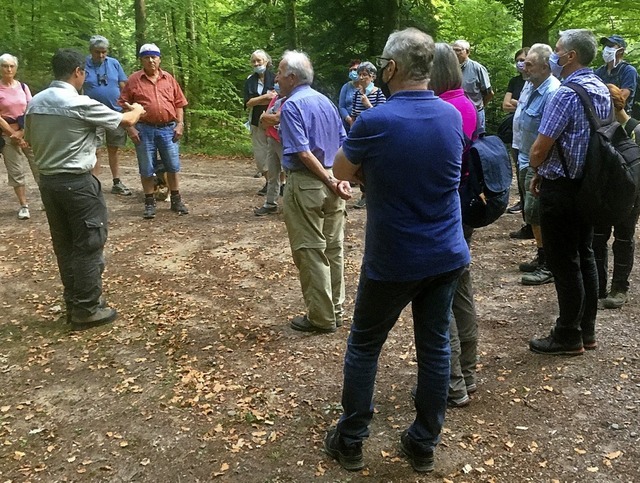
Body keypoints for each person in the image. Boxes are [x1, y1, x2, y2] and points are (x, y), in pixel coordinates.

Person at [324, 28, 470, 473]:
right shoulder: (450, 115)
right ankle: (423, 443)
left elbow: (341, 169)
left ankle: (350, 439)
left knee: (365, 346)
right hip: (446, 253)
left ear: (391, 68)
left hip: (394, 258)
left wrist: (376, 173)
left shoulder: (376, 121)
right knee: (435, 347)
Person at [24, 48, 145, 330]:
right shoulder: (78, 102)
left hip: (49, 183)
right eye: (84, 72)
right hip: (77, 183)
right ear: (78, 71)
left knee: (65, 244)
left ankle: (74, 301)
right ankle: (88, 308)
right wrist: (137, 109)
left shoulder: (35, 103)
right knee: (89, 244)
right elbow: (125, 121)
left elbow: (29, 138)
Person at [528, 29, 610, 355]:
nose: (554, 56)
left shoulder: (564, 94)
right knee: (585, 255)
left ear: (570, 56)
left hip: (561, 190)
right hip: (590, 185)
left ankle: (567, 334)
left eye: (558, 51)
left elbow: (538, 150)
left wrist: (539, 170)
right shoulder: (601, 88)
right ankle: (586, 331)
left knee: (563, 263)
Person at [276, 50, 351, 334]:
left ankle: (321, 317)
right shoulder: (326, 101)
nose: (276, 78)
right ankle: (336, 310)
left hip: (308, 183)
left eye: (280, 73)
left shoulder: (292, 106)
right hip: (333, 180)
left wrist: (331, 180)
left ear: (292, 77)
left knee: (310, 250)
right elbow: (344, 143)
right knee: (333, 248)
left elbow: (303, 153)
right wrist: (341, 178)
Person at [428, 42, 478, 408]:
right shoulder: (467, 104)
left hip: (447, 213)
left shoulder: (444, 110)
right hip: (462, 209)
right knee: (462, 290)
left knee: (443, 297)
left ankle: (453, 382)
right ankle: (469, 372)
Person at [119, 43, 189, 219]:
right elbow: (123, 106)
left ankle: (176, 199)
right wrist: (131, 128)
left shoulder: (169, 79)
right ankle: (149, 202)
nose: (151, 61)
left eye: (154, 57)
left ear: (159, 59)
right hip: (144, 129)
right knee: (146, 167)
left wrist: (180, 124)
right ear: (141, 60)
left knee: (172, 166)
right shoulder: (134, 80)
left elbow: (179, 103)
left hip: (168, 129)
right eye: (146, 57)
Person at [592, 83, 640, 309]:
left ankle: (620, 287)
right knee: (598, 238)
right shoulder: (601, 130)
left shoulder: (636, 130)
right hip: (604, 194)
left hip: (631, 194)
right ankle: (598, 286)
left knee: (623, 238)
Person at [516, 44, 560, 286]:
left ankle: (549, 264)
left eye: (529, 64)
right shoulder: (531, 86)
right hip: (525, 156)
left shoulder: (553, 92)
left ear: (545, 66)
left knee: (538, 213)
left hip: (541, 162)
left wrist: (539, 167)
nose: (524, 67)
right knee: (531, 213)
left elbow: (550, 136)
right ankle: (542, 255)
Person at [84, 35, 132, 196]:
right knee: (95, 149)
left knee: (114, 148)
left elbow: (124, 85)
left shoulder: (114, 64)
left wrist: (126, 106)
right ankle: (94, 183)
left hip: (114, 112)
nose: (101, 55)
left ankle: (116, 181)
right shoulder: (83, 65)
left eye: (104, 52)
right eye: (98, 52)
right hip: (93, 114)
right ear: (91, 51)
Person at [0, 53, 39, 220]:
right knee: (16, 171)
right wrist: (13, 134)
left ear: (16, 68)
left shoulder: (23, 87)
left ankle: (48, 200)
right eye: (5, 66)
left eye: (11, 66)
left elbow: (30, 109)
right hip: (7, 136)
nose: (8, 69)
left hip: (27, 134)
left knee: (39, 165)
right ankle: (23, 205)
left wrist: (22, 133)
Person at [350, 61, 386, 209]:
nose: (361, 77)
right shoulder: (357, 94)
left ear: (372, 77)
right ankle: (364, 194)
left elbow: (383, 115)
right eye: (360, 74)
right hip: (360, 132)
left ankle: (375, 193)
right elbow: (353, 115)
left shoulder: (378, 93)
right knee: (360, 164)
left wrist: (368, 105)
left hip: (374, 133)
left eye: (365, 74)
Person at [244, 50, 276, 195]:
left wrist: (260, 99)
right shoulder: (250, 80)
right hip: (257, 121)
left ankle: (280, 183)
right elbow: (248, 102)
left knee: (276, 151)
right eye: (254, 61)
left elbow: (279, 97)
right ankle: (269, 182)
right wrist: (266, 97)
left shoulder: (275, 77)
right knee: (260, 154)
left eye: (259, 61)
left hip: (275, 121)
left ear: (266, 62)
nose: (256, 64)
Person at [503, 47, 529, 216]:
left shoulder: (535, 81)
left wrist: (517, 102)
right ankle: (522, 201)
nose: (520, 63)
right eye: (517, 60)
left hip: (530, 132)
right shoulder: (514, 81)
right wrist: (523, 104)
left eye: (523, 59)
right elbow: (505, 105)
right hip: (515, 131)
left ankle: (530, 203)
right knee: (518, 166)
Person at [253, 83, 286, 216]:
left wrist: (268, 118)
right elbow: (265, 119)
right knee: (273, 174)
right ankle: (270, 203)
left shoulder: (291, 100)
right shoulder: (275, 99)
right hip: (272, 139)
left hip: (284, 142)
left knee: (290, 173)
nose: (277, 84)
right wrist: (267, 119)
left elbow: (277, 118)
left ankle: (292, 205)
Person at [452, 39, 494, 128]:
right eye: (453, 50)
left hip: (475, 114)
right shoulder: (449, 69)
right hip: (454, 114)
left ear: (467, 52)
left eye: (458, 50)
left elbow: (489, 93)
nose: (454, 53)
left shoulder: (477, 68)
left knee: (477, 140)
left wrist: (478, 108)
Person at [594, 35, 637, 114]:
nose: (606, 48)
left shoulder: (628, 71)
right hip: (602, 118)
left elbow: (621, 98)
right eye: (605, 45)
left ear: (620, 50)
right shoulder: (599, 71)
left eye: (610, 45)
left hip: (621, 117)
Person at [338, 59, 360, 131]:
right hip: (347, 125)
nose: (353, 72)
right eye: (351, 70)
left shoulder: (368, 88)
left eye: (355, 69)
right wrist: (350, 120)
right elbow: (342, 106)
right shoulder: (346, 87)